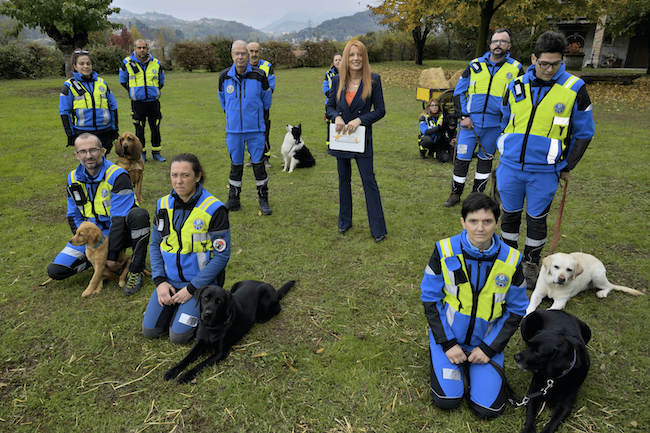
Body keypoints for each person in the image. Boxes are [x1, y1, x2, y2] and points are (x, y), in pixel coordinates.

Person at [497, 31, 595, 288]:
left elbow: (584, 133)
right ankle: (508, 260)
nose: (550, 69)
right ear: (533, 59)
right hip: (510, 168)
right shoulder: (516, 85)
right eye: (544, 63)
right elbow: (504, 119)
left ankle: (531, 265)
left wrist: (567, 165)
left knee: (536, 220)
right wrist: (505, 147)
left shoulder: (575, 88)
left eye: (556, 63)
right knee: (509, 216)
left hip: (544, 172)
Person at [420, 192, 528, 418]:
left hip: (486, 342)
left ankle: (477, 367)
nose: (480, 228)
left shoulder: (512, 260)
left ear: (496, 223)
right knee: (447, 400)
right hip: (449, 338)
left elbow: (517, 310)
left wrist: (489, 348)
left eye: (487, 221)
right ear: (463, 222)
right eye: (473, 221)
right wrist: (448, 343)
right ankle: (446, 357)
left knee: (488, 410)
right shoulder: (444, 250)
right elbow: (430, 300)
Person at [46, 133, 150, 295]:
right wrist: (88, 245)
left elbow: (119, 219)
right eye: (82, 151)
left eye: (93, 150)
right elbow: (73, 215)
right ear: (76, 155)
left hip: (119, 232)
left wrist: (112, 256)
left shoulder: (117, 175)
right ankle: (95, 263)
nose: (88, 156)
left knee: (139, 215)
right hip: (91, 236)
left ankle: (135, 268)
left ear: (102, 151)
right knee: (56, 271)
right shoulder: (72, 178)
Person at [142, 153, 230, 344]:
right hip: (170, 281)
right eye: (174, 175)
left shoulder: (215, 209)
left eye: (185, 175)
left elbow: (221, 257)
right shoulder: (163, 205)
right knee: (150, 330)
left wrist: (191, 289)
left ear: (197, 176)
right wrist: (160, 282)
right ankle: (177, 306)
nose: (179, 181)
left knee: (179, 337)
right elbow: (156, 244)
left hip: (200, 285)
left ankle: (187, 307)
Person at [444, 28, 524, 207]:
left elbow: (521, 100)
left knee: (485, 161)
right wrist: (463, 115)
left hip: (495, 126)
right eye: (496, 41)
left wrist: (507, 125)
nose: (498, 44)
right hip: (469, 124)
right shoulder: (474, 65)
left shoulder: (517, 69)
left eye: (503, 41)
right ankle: (455, 194)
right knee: (461, 160)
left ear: (509, 46)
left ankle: (476, 197)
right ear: (490, 45)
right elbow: (459, 92)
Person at [326, 40, 387, 242]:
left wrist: (361, 119)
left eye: (359, 55)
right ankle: (345, 221)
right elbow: (329, 107)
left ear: (364, 57)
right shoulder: (337, 81)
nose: (355, 59)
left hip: (362, 140)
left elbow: (380, 111)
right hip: (342, 139)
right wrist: (336, 117)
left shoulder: (374, 80)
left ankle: (378, 230)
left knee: (369, 182)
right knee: (343, 181)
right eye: (351, 55)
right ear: (345, 58)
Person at [218, 40, 273, 215]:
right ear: (232, 55)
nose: (240, 56)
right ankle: (234, 199)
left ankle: (263, 200)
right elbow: (224, 102)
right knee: (236, 165)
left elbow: (267, 101)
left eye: (243, 53)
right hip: (234, 131)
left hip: (255, 130)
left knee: (258, 165)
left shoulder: (259, 75)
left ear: (248, 55)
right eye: (237, 53)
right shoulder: (224, 76)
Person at [59, 50, 119, 154]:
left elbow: (113, 106)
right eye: (81, 64)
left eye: (88, 63)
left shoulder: (101, 83)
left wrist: (114, 129)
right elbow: (64, 112)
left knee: (103, 161)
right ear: (75, 66)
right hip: (83, 133)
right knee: (89, 164)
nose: (86, 66)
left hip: (105, 131)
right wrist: (71, 135)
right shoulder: (69, 86)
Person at [119, 39, 166, 162]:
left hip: (153, 102)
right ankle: (141, 153)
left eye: (144, 47)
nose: (142, 50)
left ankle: (157, 153)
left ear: (147, 49)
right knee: (139, 130)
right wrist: (134, 92)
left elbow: (161, 82)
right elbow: (123, 81)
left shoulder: (156, 63)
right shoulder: (127, 63)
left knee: (155, 128)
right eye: (139, 47)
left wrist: (153, 92)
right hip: (137, 103)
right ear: (134, 49)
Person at [247, 41, 275, 168]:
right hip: (247, 108)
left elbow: (270, 88)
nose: (254, 54)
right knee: (249, 133)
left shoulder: (267, 66)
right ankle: (252, 158)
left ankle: (265, 158)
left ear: (260, 52)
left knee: (263, 132)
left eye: (256, 51)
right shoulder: (242, 66)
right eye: (251, 51)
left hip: (262, 107)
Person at [418, 98, 451, 162]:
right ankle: (422, 151)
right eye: (432, 105)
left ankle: (433, 152)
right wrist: (439, 127)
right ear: (428, 107)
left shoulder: (442, 116)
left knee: (446, 159)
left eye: (436, 105)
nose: (435, 107)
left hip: (439, 140)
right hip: (427, 138)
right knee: (427, 140)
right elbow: (426, 131)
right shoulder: (423, 117)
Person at [323, 53, 342, 146]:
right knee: (330, 123)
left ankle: (340, 142)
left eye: (340, 59)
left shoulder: (348, 73)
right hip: (331, 102)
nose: (338, 61)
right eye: (336, 60)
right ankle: (329, 143)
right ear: (333, 62)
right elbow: (325, 87)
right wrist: (331, 96)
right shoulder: (328, 74)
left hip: (343, 103)